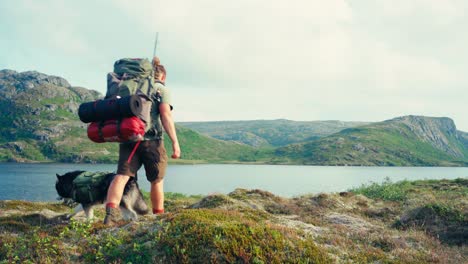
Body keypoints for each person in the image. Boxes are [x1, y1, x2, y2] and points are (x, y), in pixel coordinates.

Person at [104, 57, 181, 225]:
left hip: (128, 137)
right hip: (151, 140)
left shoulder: (130, 87)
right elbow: (165, 115)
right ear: (162, 77)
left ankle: (110, 216)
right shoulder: (160, 89)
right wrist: (175, 142)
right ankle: (158, 217)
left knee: (121, 176)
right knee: (157, 180)